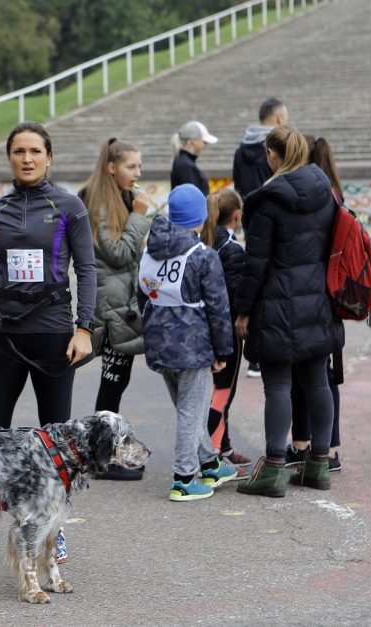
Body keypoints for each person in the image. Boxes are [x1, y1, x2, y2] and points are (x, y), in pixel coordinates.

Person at [0, 121, 96, 564]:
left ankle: (54, 531)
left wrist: (84, 328)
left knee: (56, 442)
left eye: (35, 151)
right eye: (18, 152)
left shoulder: (69, 206)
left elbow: (87, 270)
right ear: (10, 158)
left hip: (54, 336)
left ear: (49, 157)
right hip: (3, 336)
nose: (27, 158)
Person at [234, 126, 344, 497]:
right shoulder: (325, 191)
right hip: (317, 300)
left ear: (273, 155)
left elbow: (256, 263)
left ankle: (274, 471)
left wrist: (243, 311)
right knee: (317, 379)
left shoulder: (267, 200)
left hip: (277, 303)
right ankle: (317, 466)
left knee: (278, 384)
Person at [138, 183, 237, 501]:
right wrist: (223, 350)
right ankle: (183, 477)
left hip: (159, 342)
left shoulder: (150, 251)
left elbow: (141, 295)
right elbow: (219, 308)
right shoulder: (203, 256)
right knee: (190, 411)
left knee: (187, 408)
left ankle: (209, 462)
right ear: (200, 218)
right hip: (193, 345)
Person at [79, 138, 151, 480]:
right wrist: (138, 218)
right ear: (111, 167)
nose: (138, 173)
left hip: (121, 304)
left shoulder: (119, 199)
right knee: (113, 381)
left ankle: (102, 451)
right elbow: (118, 254)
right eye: (131, 166)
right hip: (111, 309)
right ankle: (101, 455)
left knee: (116, 380)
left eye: (139, 166)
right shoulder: (99, 204)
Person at [285, 135, 346, 473]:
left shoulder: (311, 197)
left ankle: (305, 443)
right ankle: (330, 447)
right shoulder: (334, 193)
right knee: (326, 375)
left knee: (303, 376)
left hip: (310, 295)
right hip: (331, 296)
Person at [233, 98, 287, 379]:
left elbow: (239, 188)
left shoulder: (240, 150)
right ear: (278, 117)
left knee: (254, 278)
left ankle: (254, 357)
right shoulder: (278, 147)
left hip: (252, 221)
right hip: (275, 222)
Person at [200, 188, 251, 467]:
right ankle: (210, 452)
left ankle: (224, 447)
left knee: (221, 392)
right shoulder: (231, 249)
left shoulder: (206, 240)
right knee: (222, 394)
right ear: (237, 215)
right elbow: (232, 296)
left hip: (206, 328)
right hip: (226, 331)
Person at [170, 121, 218, 196]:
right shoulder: (184, 164)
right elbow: (191, 197)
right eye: (205, 141)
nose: (206, 144)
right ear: (193, 140)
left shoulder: (184, 162)